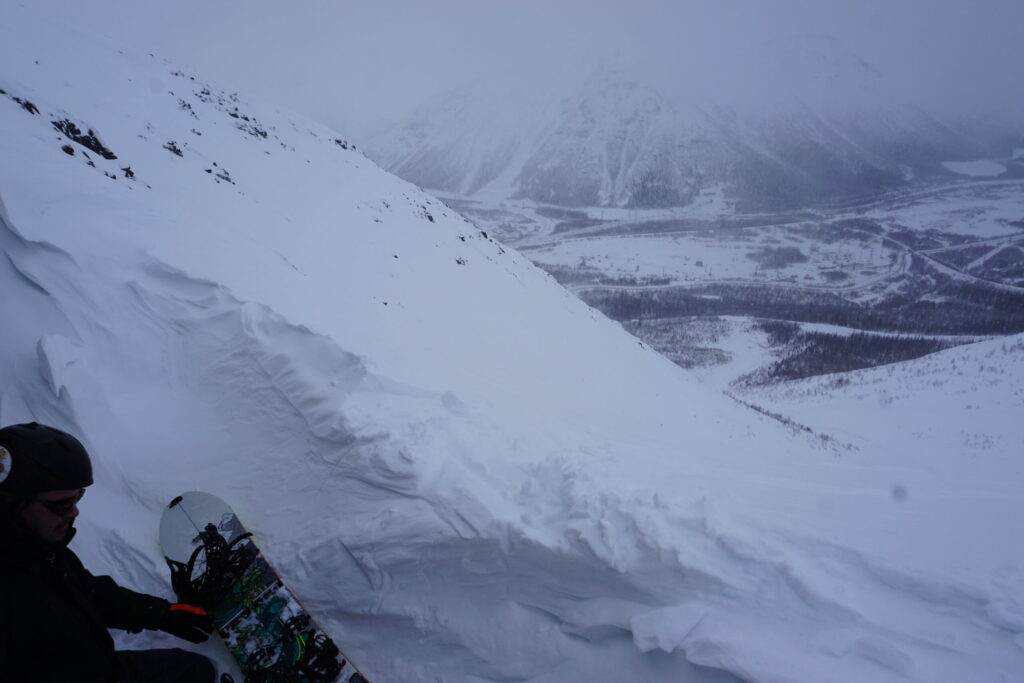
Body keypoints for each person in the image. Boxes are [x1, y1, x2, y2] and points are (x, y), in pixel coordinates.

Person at [0, 421, 218, 682]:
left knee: (196, 670)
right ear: (11, 503)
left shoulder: (38, 548)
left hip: (98, 666)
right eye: (60, 505)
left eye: (77, 498)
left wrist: (159, 613)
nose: (74, 512)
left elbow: (84, 591)